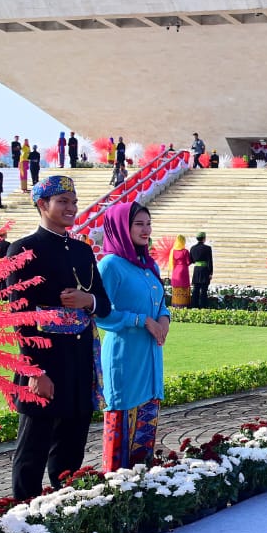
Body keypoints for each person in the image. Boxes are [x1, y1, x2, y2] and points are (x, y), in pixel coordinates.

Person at [6, 175, 113, 499]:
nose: (71, 207)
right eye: (62, 201)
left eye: (74, 201)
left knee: (71, 444)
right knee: (33, 447)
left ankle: (64, 508)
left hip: (79, 360)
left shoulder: (82, 250)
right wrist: (35, 372)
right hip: (45, 360)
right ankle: (24, 518)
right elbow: (20, 317)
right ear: (42, 204)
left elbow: (104, 305)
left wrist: (87, 301)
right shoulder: (23, 249)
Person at [94, 202, 169, 471]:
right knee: (121, 438)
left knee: (145, 440)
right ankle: (117, 496)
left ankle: (142, 494)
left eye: (148, 223)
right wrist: (141, 321)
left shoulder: (149, 266)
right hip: (124, 359)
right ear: (120, 228)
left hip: (150, 358)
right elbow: (101, 314)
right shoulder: (110, 265)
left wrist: (163, 318)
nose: (146, 229)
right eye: (138, 224)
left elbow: (161, 303)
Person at [189, 232, 213, 308]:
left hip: (196, 270)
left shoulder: (193, 248)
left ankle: (194, 305)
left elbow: (191, 260)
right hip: (205, 270)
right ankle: (203, 306)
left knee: (196, 289)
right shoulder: (207, 248)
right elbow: (210, 261)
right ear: (204, 238)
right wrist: (210, 272)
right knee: (204, 290)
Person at [168, 234, 191, 307]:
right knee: (184, 286)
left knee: (176, 286)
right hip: (183, 269)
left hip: (176, 270)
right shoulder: (185, 251)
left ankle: (176, 303)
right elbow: (188, 262)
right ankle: (184, 304)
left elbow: (172, 262)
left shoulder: (173, 251)